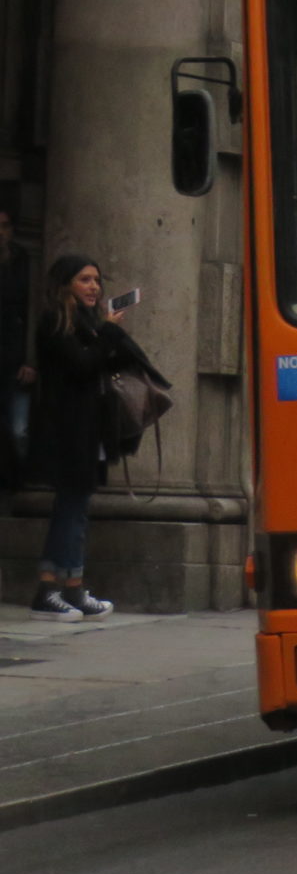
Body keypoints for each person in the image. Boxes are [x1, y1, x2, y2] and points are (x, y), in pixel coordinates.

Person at [27, 256, 152, 619]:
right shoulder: (55, 321)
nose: (94, 287)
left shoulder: (88, 322)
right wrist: (108, 332)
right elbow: (80, 365)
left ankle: (71, 587)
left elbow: (97, 364)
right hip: (67, 430)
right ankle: (50, 589)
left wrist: (116, 342)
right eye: (85, 279)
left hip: (89, 429)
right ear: (66, 284)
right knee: (69, 511)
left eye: (97, 280)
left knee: (77, 510)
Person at [0, 207, 31, 479]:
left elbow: (32, 310)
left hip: (15, 358)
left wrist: (30, 359)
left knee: (19, 428)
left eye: (5, 226)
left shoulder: (23, 262)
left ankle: (19, 482)